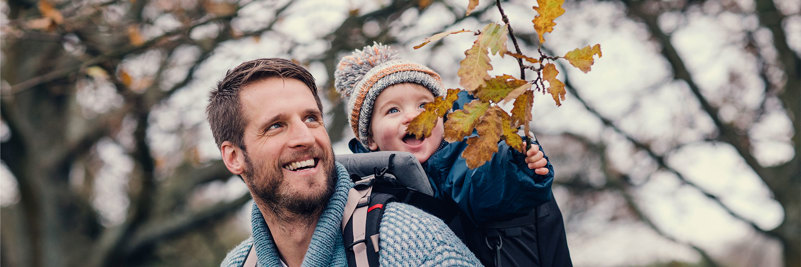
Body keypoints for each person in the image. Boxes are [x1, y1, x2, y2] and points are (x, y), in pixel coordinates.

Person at [209, 58, 482, 266]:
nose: (305, 137)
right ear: (234, 157)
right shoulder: (238, 263)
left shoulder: (411, 241)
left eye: (311, 118)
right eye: (276, 125)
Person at [334, 43, 572, 266]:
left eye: (425, 107)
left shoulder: (463, 158)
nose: (412, 116)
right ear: (371, 139)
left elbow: (490, 184)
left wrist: (518, 162)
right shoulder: (366, 193)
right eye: (393, 110)